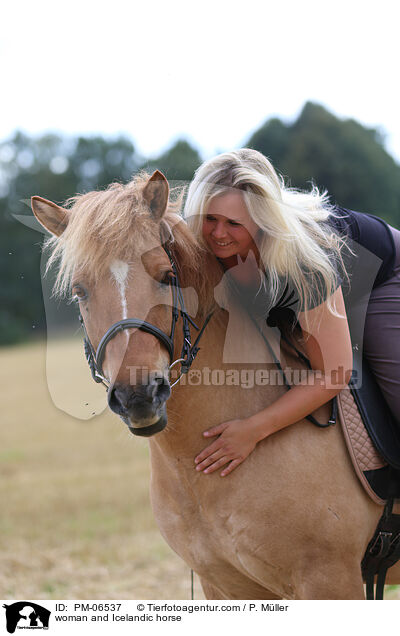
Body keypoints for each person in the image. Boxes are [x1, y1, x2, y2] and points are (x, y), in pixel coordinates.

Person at [182, 149, 400, 477]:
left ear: (261, 222)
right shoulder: (204, 242)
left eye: (233, 223)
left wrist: (254, 429)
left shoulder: (301, 263)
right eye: (210, 219)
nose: (218, 234)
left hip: (384, 278)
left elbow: (335, 372)